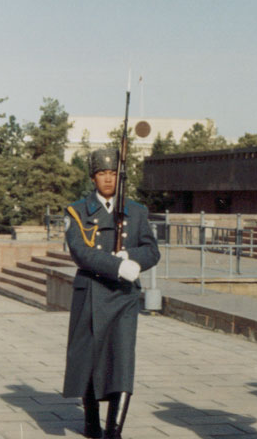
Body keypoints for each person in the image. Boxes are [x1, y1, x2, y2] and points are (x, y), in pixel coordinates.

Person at [62, 148, 159, 439]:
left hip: (124, 296)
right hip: (93, 289)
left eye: (113, 173)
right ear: (93, 177)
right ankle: (92, 422)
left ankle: (113, 431)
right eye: (102, 173)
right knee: (90, 359)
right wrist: (117, 266)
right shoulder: (77, 211)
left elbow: (152, 250)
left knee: (123, 359)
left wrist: (133, 256)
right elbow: (80, 252)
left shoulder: (137, 211)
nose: (108, 179)